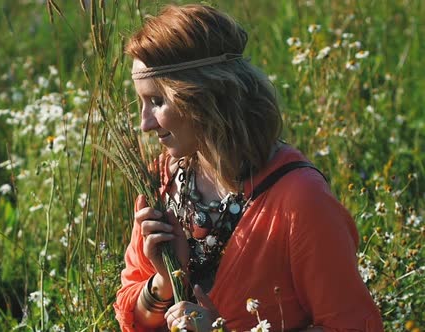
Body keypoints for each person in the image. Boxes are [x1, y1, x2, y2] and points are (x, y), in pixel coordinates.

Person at [113, 4, 384, 332]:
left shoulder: (299, 199)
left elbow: (352, 325)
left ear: (206, 97)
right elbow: (133, 319)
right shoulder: (161, 181)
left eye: (157, 102)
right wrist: (163, 283)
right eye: (141, 103)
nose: (144, 124)